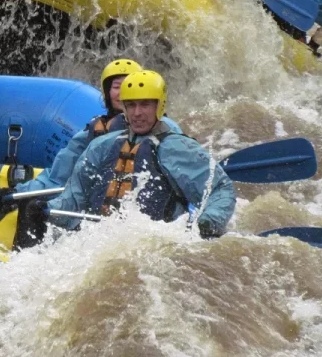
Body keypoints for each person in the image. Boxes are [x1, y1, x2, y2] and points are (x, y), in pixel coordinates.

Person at [21, 70, 236, 241]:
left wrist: (208, 222)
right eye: (131, 105)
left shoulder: (177, 148)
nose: (137, 113)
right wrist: (47, 210)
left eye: (145, 105)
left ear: (159, 106)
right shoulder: (101, 146)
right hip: (95, 242)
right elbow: (73, 200)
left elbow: (220, 189)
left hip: (153, 244)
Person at [0, 59, 182, 199]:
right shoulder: (96, 132)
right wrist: (18, 193)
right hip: (100, 208)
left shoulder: (166, 130)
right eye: (117, 87)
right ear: (106, 92)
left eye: (129, 86)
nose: (123, 94)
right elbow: (58, 175)